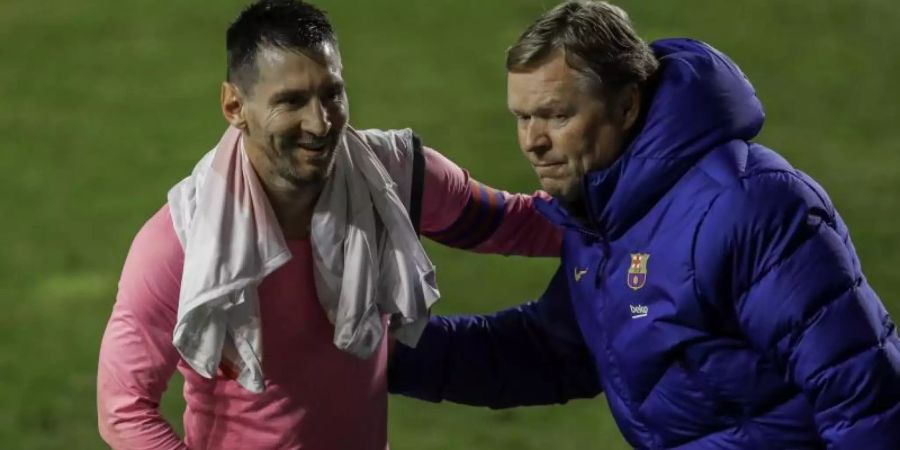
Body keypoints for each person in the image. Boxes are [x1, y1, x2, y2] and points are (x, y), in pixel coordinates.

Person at [388, 1, 900, 448]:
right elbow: (550, 350)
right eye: (522, 118)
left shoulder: (749, 208)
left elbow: (866, 399)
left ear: (627, 104)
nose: (532, 142)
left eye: (555, 116)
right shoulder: (606, 219)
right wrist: (382, 354)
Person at [95, 1, 561, 449]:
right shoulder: (182, 241)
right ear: (235, 107)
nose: (320, 124)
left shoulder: (394, 177)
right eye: (292, 101)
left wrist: (629, 216)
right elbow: (124, 408)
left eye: (332, 93)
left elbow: (520, 223)